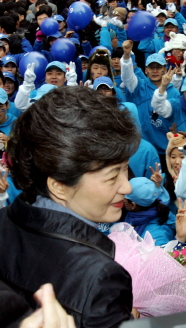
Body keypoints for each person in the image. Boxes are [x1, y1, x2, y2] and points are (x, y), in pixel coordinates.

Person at [0, 86, 140, 327]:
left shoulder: (3, 219)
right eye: (111, 176)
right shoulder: (100, 278)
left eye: (125, 168)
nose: (127, 188)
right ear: (59, 186)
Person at [124, 177, 175, 246]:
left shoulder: (156, 235)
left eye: (125, 201)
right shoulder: (137, 215)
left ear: (133, 205)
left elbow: (163, 255)